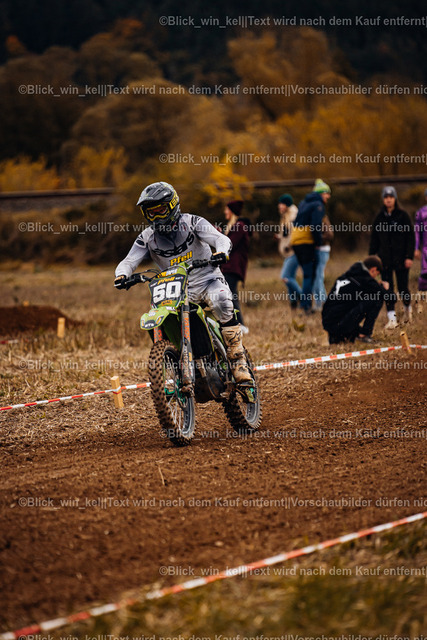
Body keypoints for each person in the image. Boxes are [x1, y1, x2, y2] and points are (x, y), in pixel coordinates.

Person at [114, 181, 252, 385]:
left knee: (221, 300)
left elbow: (220, 238)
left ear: (172, 205)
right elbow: (129, 260)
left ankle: (238, 360)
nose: (156, 217)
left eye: (160, 210)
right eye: (151, 213)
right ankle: (176, 359)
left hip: (207, 278)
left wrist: (221, 252)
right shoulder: (147, 237)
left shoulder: (193, 222)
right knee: (160, 316)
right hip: (175, 288)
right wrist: (122, 275)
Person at [369, 186, 415, 329]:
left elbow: (410, 238)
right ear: (383, 199)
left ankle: (408, 310)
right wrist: (372, 259)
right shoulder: (379, 218)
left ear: (395, 198)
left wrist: (409, 256)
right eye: (386, 197)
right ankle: (392, 318)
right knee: (387, 289)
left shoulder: (403, 216)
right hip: (385, 261)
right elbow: (374, 240)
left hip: (401, 259)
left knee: (403, 288)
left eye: (391, 197)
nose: (388, 200)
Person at [322, 256, 389, 345]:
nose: (375, 278)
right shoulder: (365, 279)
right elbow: (390, 297)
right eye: (376, 274)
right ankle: (364, 334)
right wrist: (385, 289)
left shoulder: (346, 276)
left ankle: (344, 335)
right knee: (377, 298)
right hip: (340, 325)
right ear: (373, 269)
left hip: (329, 323)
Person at [291, 178, 331, 313]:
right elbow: (315, 226)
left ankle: (306, 303)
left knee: (307, 274)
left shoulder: (303, 203)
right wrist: (318, 243)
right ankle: (306, 305)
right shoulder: (318, 205)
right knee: (309, 275)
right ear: (321, 193)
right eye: (327, 193)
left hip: (295, 240)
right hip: (305, 241)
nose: (328, 196)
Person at [220, 200, 250, 333]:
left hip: (233, 267)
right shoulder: (234, 226)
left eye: (227, 209)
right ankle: (237, 323)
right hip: (230, 267)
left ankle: (240, 324)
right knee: (230, 294)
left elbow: (229, 245)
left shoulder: (239, 226)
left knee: (230, 295)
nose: (225, 212)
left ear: (232, 211)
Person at [276, 194, 301, 309]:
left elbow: (295, 233)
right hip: (288, 252)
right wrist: (279, 237)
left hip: (293, 251)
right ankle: (293, 302)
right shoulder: (285, 215)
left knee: (285, 276)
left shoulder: (293, 215)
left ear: (286, 205)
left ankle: (302, 297)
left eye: (281, 204)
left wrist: (289, 245)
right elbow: (286, 233)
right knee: (290, 277)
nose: (279, 206)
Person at [312, 210, 334, 311]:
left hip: (322, 250)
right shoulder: (311, 218)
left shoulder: (323, 218)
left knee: (318, 277)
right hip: (315, 251)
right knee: (316, 277)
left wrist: (318, 239)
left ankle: (322, 303)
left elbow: (329, 235)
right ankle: (322, 303)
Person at [414, 188, 427, 311]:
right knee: (424, 275)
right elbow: (417, 232)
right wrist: (416, 247)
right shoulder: (421, 212)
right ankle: (420, 303)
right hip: (426, 249)